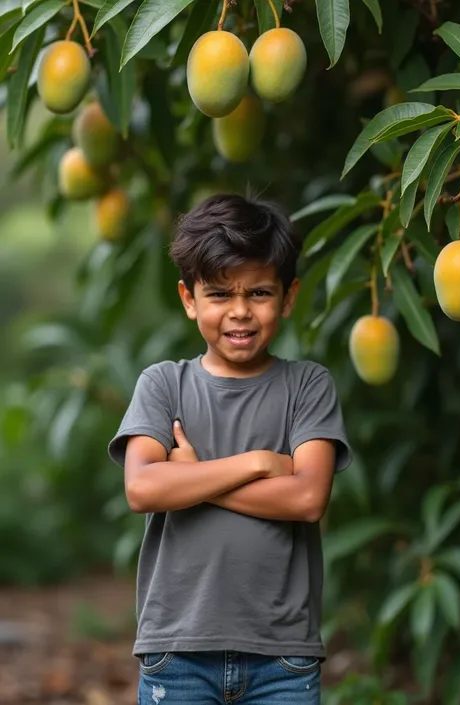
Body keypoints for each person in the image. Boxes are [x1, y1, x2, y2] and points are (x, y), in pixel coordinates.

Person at [108, 193, 352, 705]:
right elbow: (143, 487)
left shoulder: (307, 386)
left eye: (259, 292)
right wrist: (260, 464)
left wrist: (193, 479)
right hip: (177, 649)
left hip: (283, 655)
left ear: (288, 297)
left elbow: (307, 499)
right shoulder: (163, 385)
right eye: (219, 294)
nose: (240, 311)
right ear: (188, 298)